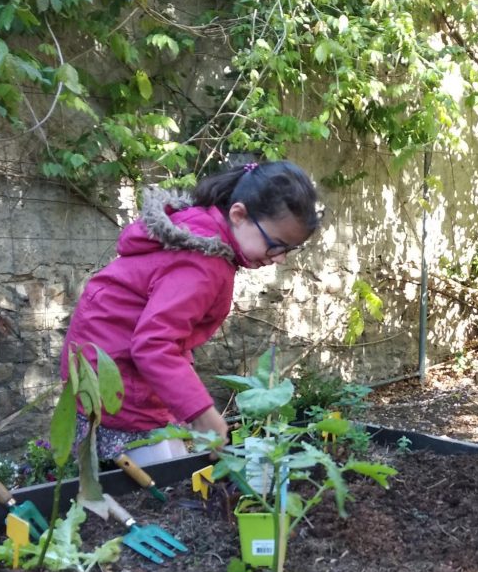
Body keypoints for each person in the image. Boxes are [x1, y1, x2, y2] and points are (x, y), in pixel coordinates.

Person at [61, 160, 321, 461]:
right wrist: (201, 412)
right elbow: (154, 345)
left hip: (107, 373)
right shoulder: (202, 263)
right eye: (277, 245)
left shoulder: (200, 232)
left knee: (173, 463)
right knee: (155, 488)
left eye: (289, 250)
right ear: (238, 214)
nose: (280, 259)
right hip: (117, 389)